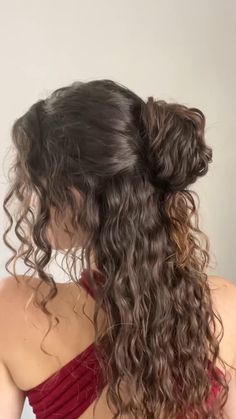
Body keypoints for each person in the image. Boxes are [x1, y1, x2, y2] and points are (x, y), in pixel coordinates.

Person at [0, 79, 235, 419]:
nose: (28, 197)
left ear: (74, 196)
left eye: (31, 180)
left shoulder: (14, 308)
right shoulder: (224, 309)